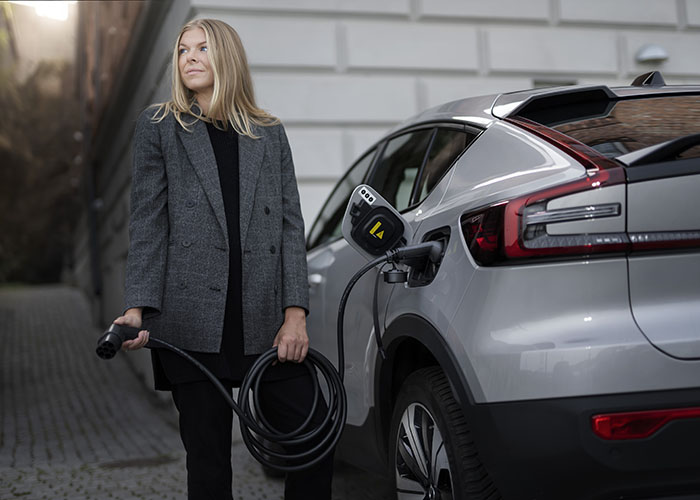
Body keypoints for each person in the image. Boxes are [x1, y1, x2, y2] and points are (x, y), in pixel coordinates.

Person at [111, 18, 333, 500]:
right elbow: (148, 222)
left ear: (226, 57)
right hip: (190, 321)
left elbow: (291, 226)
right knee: (209, 463)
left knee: (314, 438)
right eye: (182, 49)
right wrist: (137, 306)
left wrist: (295, 315)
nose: (189, 57)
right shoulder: (159, 129)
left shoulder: (268, 133)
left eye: (202, 48)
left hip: (265, 321)